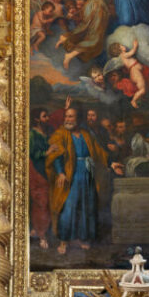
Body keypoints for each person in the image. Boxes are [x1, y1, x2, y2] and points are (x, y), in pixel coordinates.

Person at [45, 105, 115, 255]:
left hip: (88, 172)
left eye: (71, 116)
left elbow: (98, 152)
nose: (67, 119)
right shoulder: (60, 134)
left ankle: (83, 238)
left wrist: (111, 163)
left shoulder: (86, 134)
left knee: (87, 206)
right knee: (68, 207)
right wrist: (61, 173)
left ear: (78, 119)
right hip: (71, 174)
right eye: (66, 116)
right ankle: (64, 241)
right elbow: (56, 155)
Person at [55, 0, 119, 70]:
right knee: (94, 37)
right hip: (95, 7)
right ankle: (70, 55)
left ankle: (64, 39)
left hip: (96, 6)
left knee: (85, 29)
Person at [29, 108, 53, 249]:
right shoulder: (32, 134)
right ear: (37, 119)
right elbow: (32, 154)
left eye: (47, 116)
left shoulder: (45, 132)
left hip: (45, 170)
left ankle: (37, 229)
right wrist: (47, 152)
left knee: (44, 202)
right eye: (44, 116)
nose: (47, 118)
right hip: (36, 171)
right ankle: (42, 235)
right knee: (41, 202)